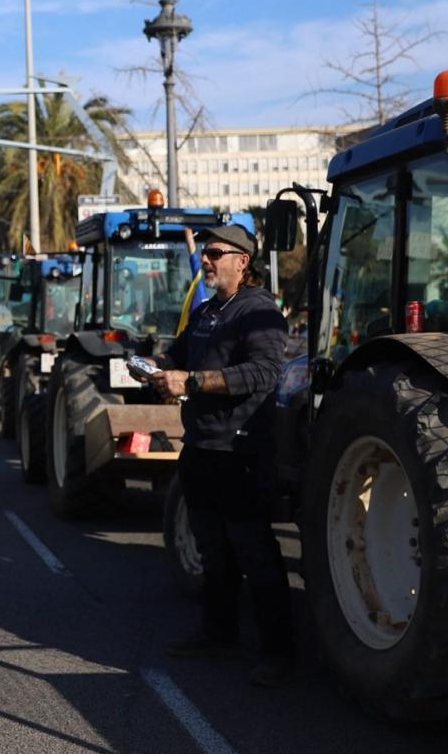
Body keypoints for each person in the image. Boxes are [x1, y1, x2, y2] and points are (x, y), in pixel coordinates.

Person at [131, 223, 293, 687]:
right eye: (204, 252)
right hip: (200, 449)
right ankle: (218, 633)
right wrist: (154, 370)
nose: (205, 259)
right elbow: (177, 359)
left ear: (242, 261)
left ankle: (277, 653)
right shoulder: (205, 313)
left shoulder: (259, 312)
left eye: (215, 252)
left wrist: (194, 382)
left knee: (254, 552)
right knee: (211, 550)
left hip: (238, 452)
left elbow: (263, 373)